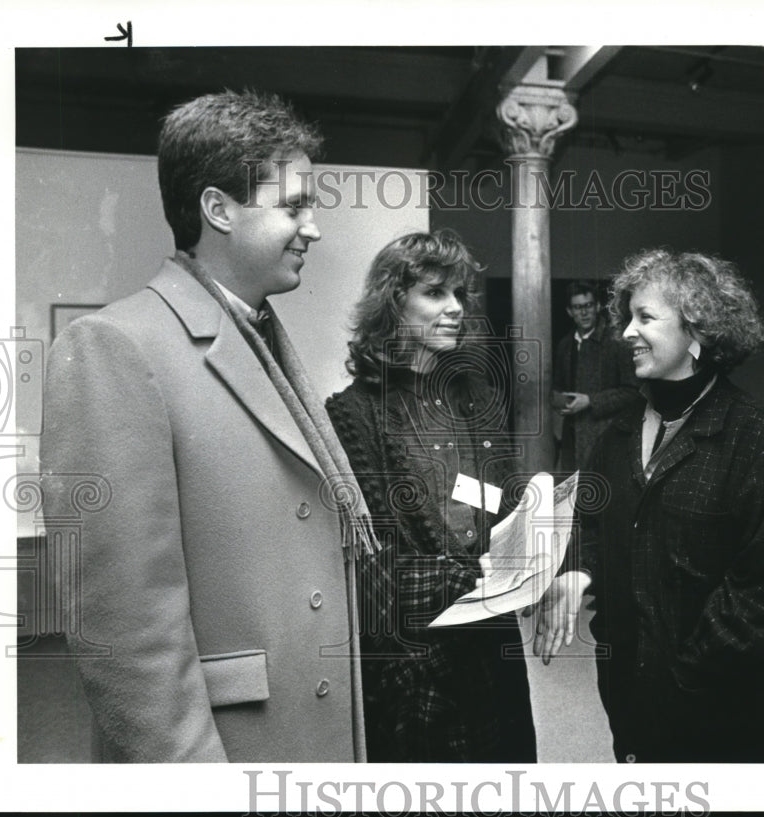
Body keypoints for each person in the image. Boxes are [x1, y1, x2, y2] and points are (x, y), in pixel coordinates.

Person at [40, 90, 378, 762]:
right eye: (293, 206)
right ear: (218, 209)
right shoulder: (115, 345)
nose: (312, 228)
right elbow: (124, 633)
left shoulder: (260, 338)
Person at [534, 248, 764, 763]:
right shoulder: (616, 436)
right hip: (625, 684)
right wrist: (579, 571)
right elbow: (590, 528)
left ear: (698, 332)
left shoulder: (758, 437)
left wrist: (687, 663)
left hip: (714, 699)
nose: (625, 332)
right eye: (628, 317)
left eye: (645, 318)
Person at [325, 230, 537, 762]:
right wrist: (478, 575)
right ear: (394, 303)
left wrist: (534, 542)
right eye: (435, 293)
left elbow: (505, 499)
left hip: (491, 639)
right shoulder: (353, 415)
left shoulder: (476, 396)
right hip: (416, 662)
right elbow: (373, 565)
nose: (455, 308)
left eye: (460, 295)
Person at [551, 280, 638, 474]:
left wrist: (591, 401)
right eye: (577, 307)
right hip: (571, 437)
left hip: (607, 436)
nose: (584, 312)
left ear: (598, 306)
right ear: (569, 312)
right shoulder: (565, 345)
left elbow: (633, 392)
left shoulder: (616, 341)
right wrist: (560, 401)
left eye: (588, 305)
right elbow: (558, 386)